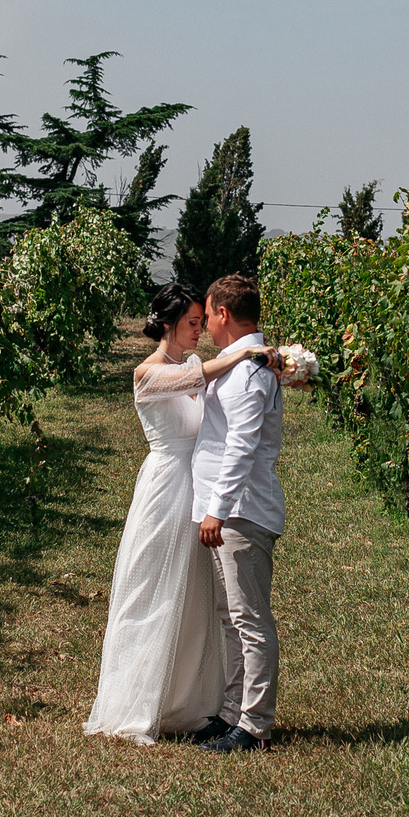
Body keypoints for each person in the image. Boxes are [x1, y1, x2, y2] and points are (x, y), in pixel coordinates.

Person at [83, 282, 280, 746]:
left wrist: (268, 362)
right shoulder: (148, 373)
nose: (199, 330)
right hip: (166, 490)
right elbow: (200, 378)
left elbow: (223, 399)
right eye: (191, 323)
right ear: (169, 324)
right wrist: (243, 353)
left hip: (202, 498)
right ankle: (137, 698)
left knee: (202, 606)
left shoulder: (200, 365)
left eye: (202, 320)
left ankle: (200, 703)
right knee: (151, 597)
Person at [189, 272, 285, 754]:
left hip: (241, 512)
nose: (204, 325)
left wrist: (217, 511)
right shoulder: (243, 362)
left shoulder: (248, 374)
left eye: (206, 316)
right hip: (226, 511)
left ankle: (255, 725)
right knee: (232, 616)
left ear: (223, 313)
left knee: (250, 618)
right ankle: (232, 714)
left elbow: (241, 448)